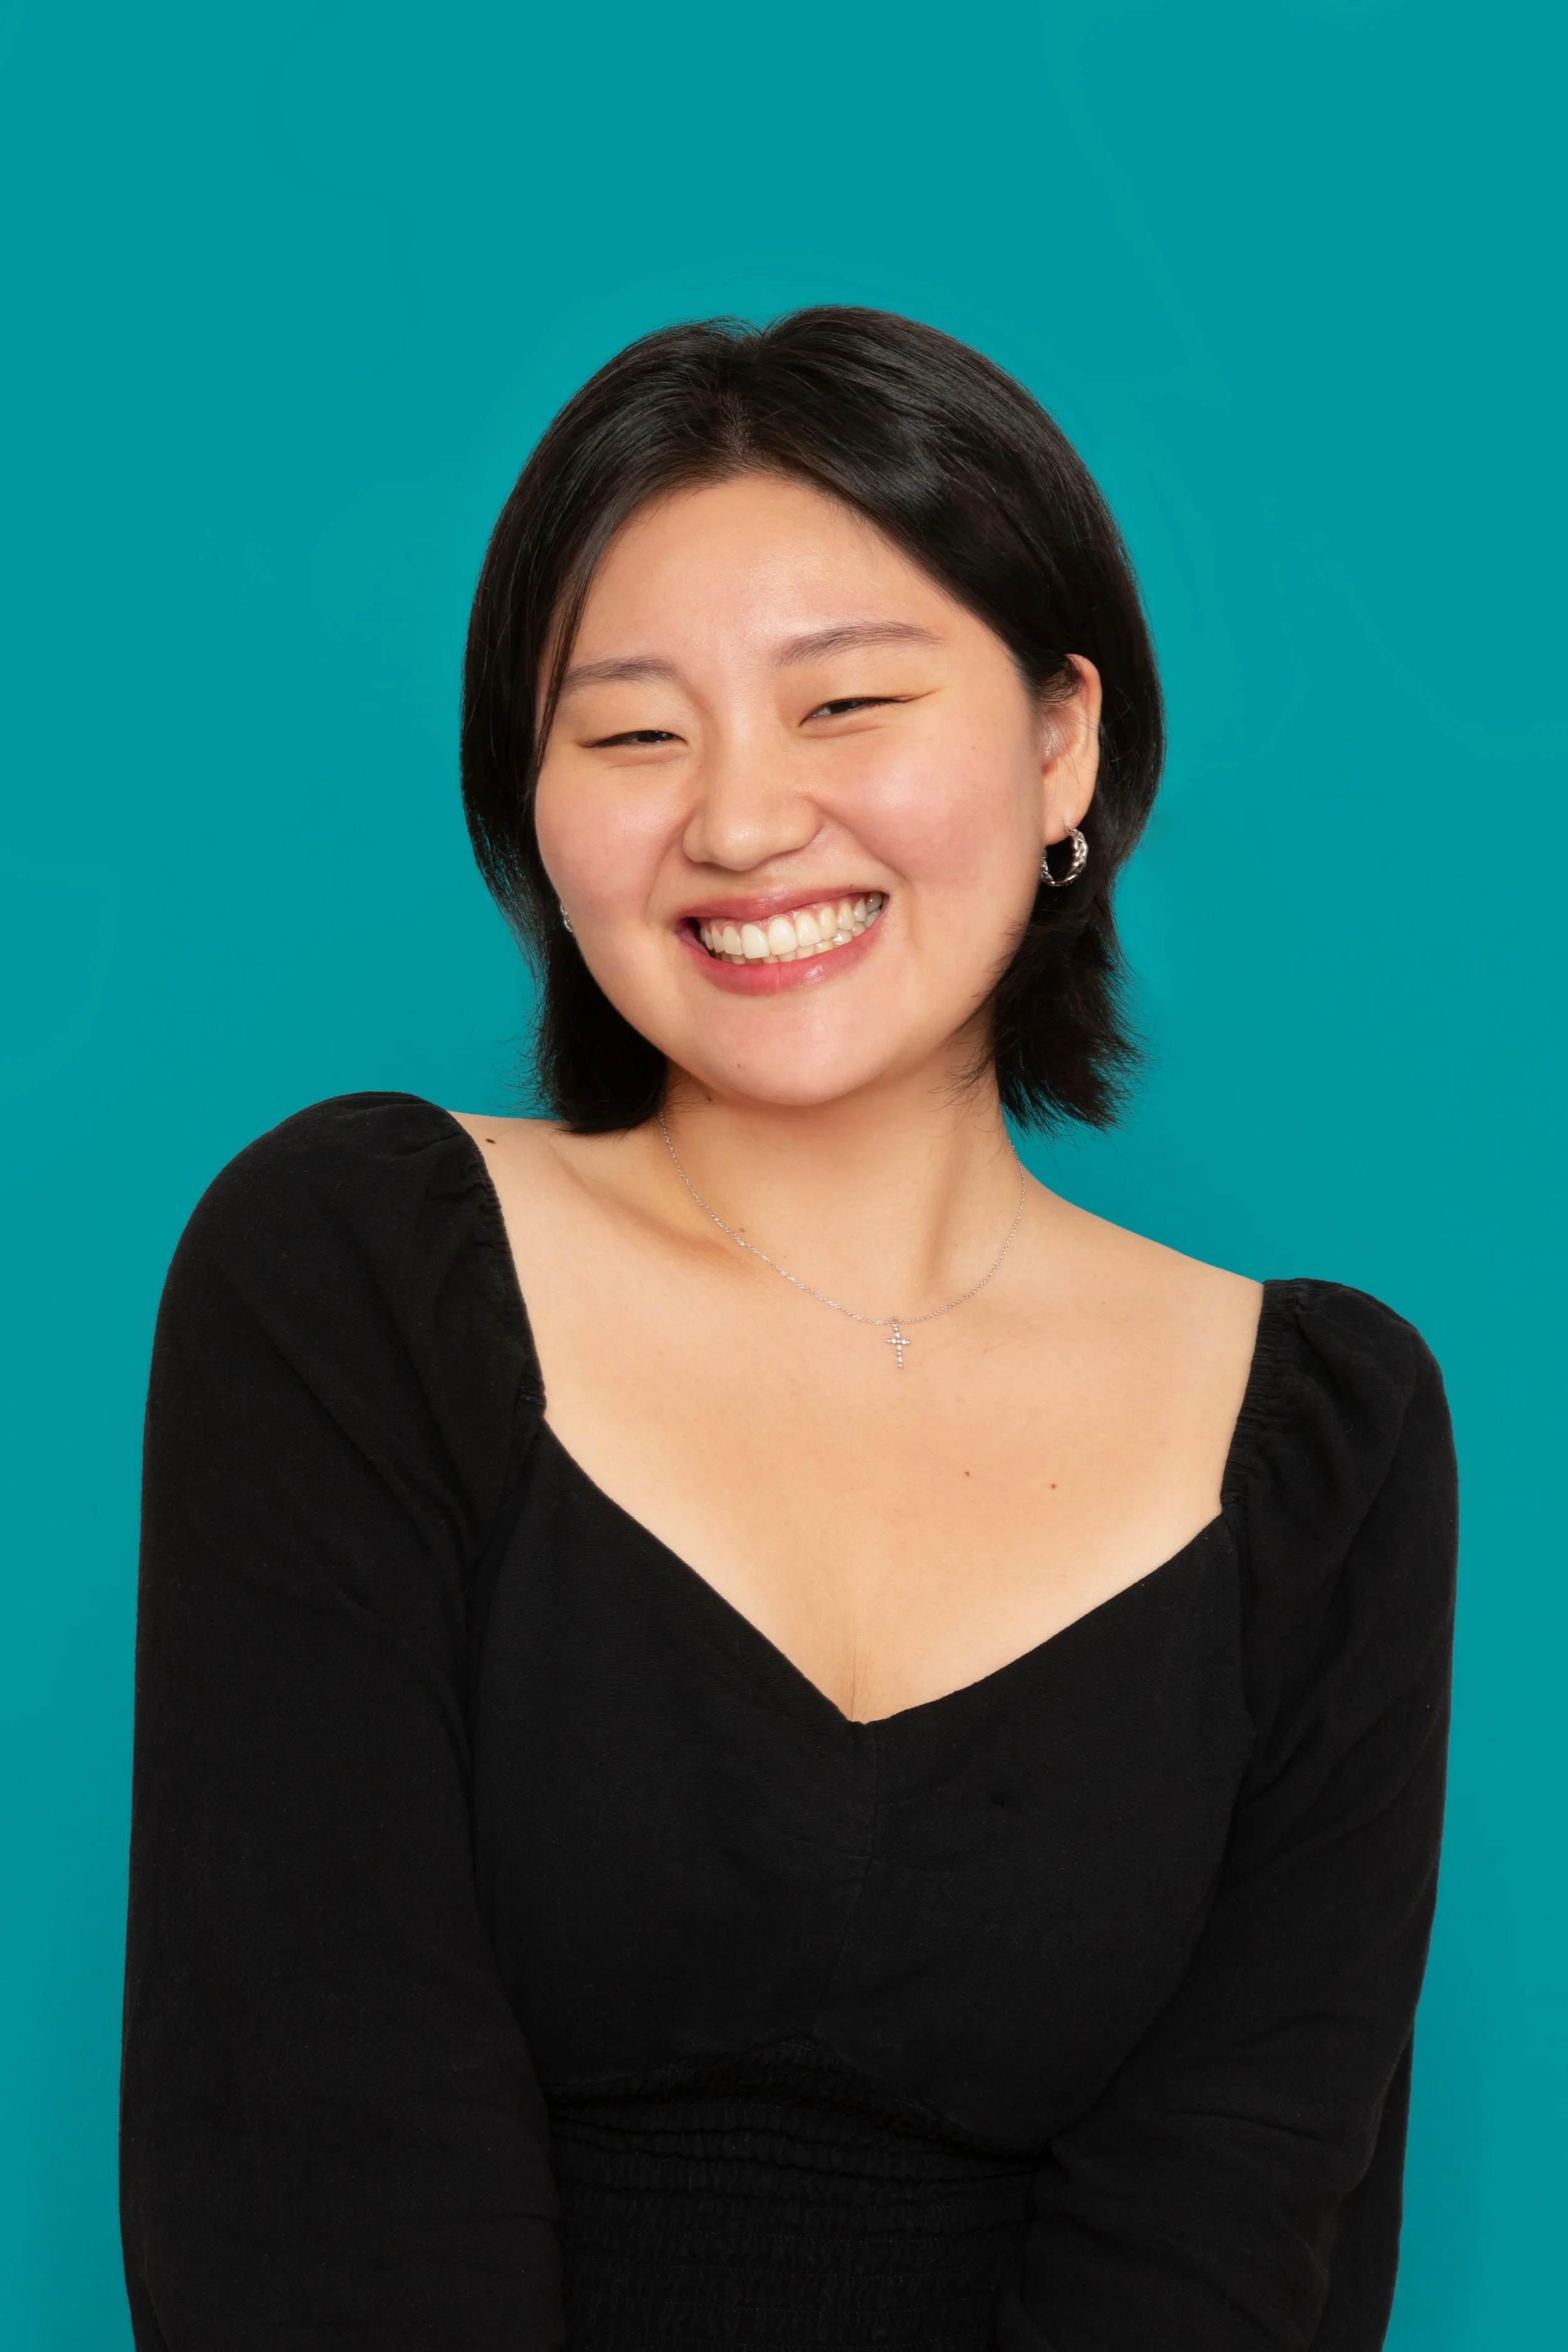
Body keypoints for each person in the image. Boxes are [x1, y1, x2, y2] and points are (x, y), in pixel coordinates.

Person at [120, 308, 1457, 2352]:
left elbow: (1233, 2234)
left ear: (1058, 743)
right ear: (536, 808)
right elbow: (315, 2149)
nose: (739, 824)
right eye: (633, 731)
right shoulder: (354, 1274)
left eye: (844, 705)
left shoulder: (1325, 1446)